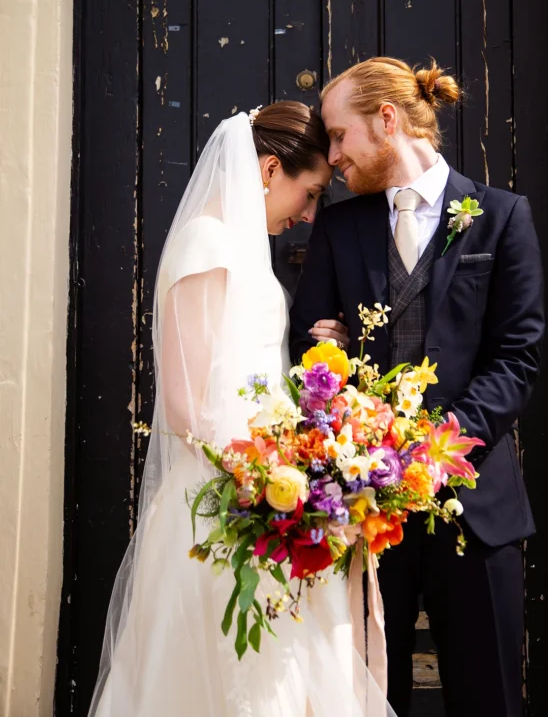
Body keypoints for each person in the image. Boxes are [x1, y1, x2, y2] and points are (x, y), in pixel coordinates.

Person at [88, 102, 393, 717]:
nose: (307, 215)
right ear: (267, 169)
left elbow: (244, 377)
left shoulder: (241, 248)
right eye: (306, 194)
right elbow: (185, 402)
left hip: (260, 498)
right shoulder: (207, 241)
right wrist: (265, 480)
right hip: (223, 505)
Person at [290, 58, 545, 717]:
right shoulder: (339, 229)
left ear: (387, 119)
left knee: (487, 698)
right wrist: (328, 352)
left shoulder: (500, 217)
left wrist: (434, 455)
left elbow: (516, 358)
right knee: (368, 701)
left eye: (340, 135)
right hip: (365, 516)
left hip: (476, 507)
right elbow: (304, 356)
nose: (334, 156)